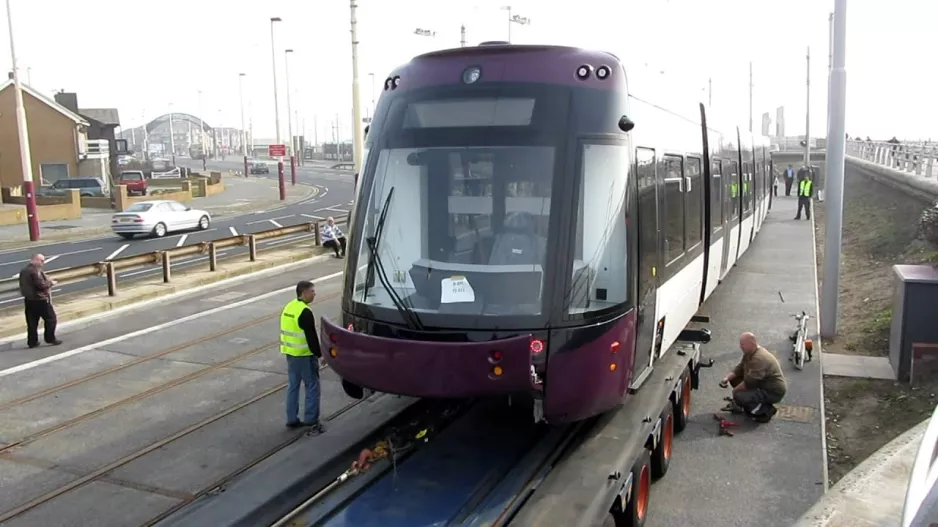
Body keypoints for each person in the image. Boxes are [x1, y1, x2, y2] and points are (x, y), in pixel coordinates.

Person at [280, 280, 325, 434]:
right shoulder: (305, 312)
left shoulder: (290, 307)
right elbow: (312, 338)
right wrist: (320, 355)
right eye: (312, 291)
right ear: (304, 293)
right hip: (304, 356)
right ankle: (311, 419)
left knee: (293, 386)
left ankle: (291, 418)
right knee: (312, 386)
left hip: (290, 354)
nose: (314, 294)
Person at [720, 332, 786, 423]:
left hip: (773, 391)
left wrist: (735, 392)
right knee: (735, 380)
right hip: (761, 383)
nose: (740, 346)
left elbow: (750, 382)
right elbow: (740, 368)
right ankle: (744, 403)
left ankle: (766, 410)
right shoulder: (749, 353)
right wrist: (727, 378)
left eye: (743, 344)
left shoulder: (758, 358)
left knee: (739, 395)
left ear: (752, 343)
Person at [18, 254, 62, 349]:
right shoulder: (35, 271)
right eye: (41, 261)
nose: (43, 263)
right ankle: (50, 338)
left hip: (29, 300)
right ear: (35, 260)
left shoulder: (24, 271)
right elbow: (41, 285)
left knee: (32, 322)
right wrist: (51, 283)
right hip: (40, 299)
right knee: (51, 319)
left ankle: (32, 342)